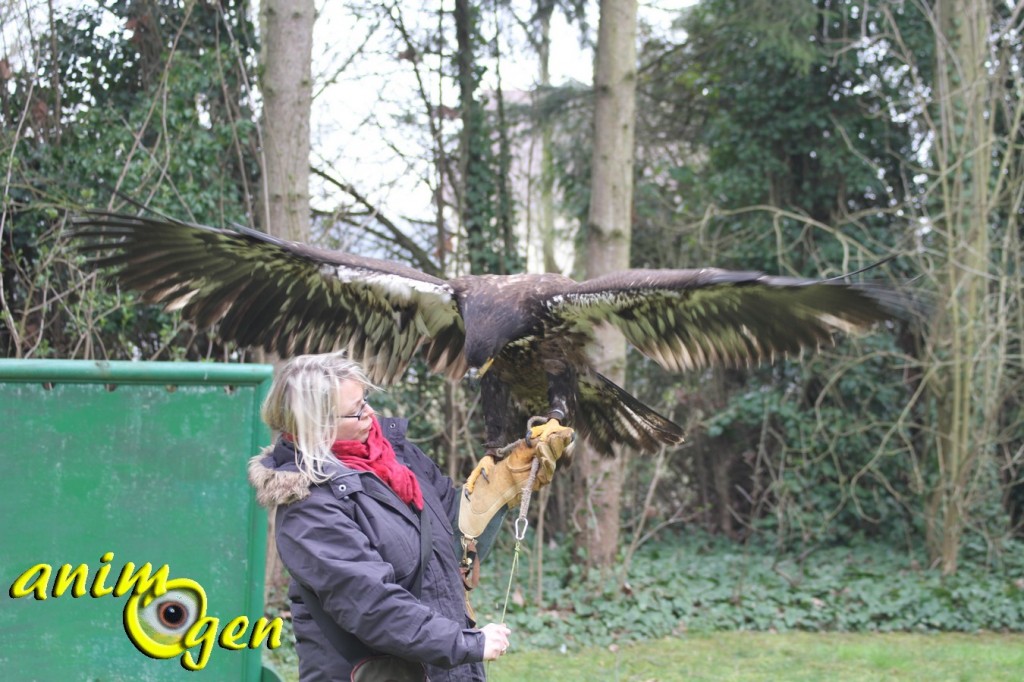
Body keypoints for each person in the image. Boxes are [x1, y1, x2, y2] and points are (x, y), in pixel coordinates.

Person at [248, 351, 573, 681]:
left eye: (366, 401)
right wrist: (467, 644)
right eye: (356, 412)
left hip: (443, 666)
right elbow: (373, 607)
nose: (370, 414)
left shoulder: (395, 456)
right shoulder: (308, 508)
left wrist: (505, 483)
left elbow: (453, 528)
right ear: (315, 428)